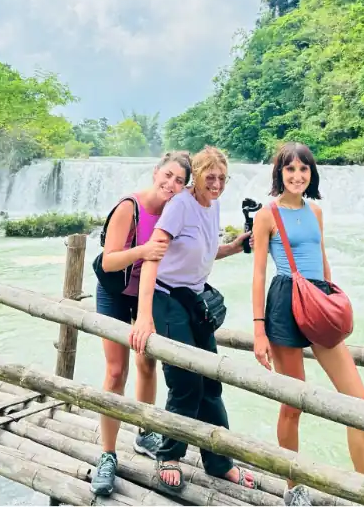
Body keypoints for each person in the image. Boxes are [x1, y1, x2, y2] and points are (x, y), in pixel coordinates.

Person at [250, 142, 364, 506]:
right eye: (290, 169)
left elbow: (322, 261)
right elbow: (258, 275)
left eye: (304, 169)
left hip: (318, 303)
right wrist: (259, 330)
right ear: (280, 173)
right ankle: (293, 486)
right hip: (284, 304)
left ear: (311, 174)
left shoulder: (316, 212)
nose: (297, 176)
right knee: (293, 403)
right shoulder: (266, 215)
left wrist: (335, 301)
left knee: (361, 405)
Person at [129, 146, 255, 492]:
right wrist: (143, 317)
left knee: (210, 382)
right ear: (195, 177)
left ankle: (219, 462)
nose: (215, 184)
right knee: (185, 381)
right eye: (209, 177)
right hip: (166, 298)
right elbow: (154, 256)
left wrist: (235, 246)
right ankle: (169, 455)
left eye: (221, 179)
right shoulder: (180, 204)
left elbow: (203, 248)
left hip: (192, 299)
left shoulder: (211, 206)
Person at [89, 151, 191, 497]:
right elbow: (109, 260)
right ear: (155, 172)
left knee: (147, 361)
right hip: (116, 292)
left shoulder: (176, 212)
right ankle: (107, 454)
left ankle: (144, 431)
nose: (171, 184)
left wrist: (234, 247)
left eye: (180, 181)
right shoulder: (129, 207)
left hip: (148, 295)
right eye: (168, 176)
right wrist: (143, 251)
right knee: (116, 371)